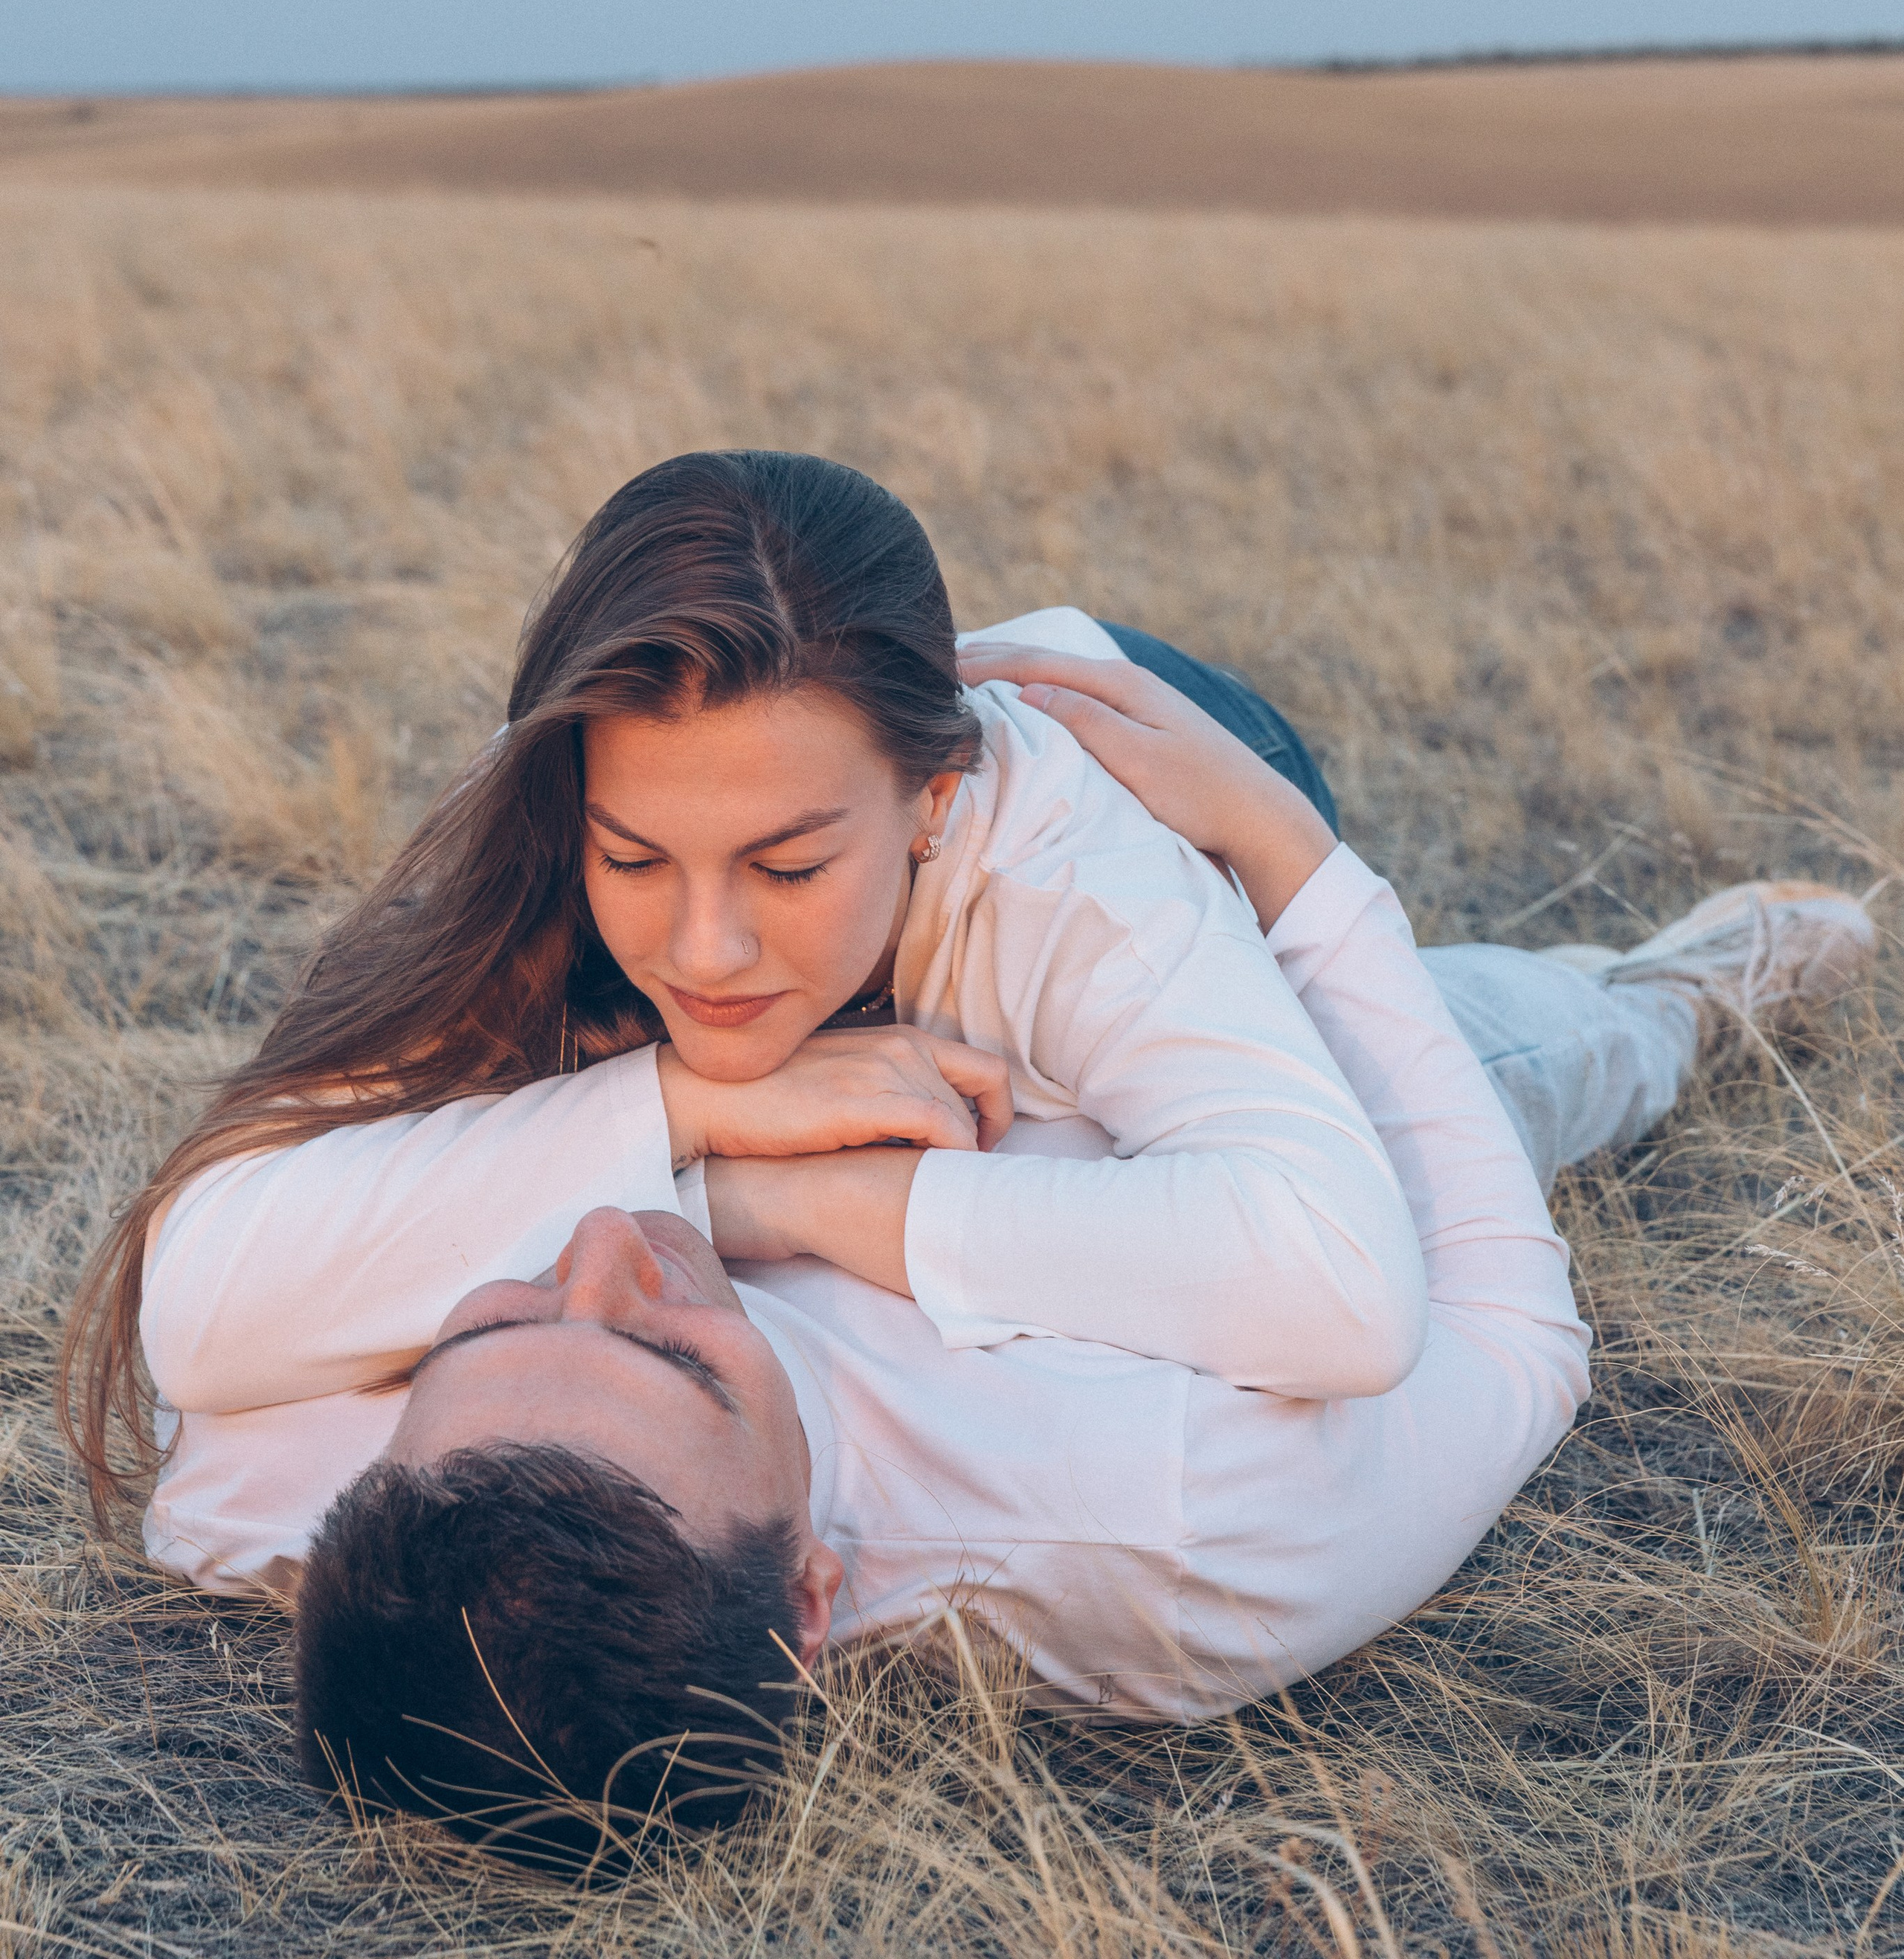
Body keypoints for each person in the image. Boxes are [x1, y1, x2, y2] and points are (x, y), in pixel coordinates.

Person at [63, 456, 1874, 1869]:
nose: (697, 954)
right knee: (1487, 1069)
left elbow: (204, 1333)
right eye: (674, 1350)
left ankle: (1619, 976)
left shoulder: (998, 848)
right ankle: (1691, 983)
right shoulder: (1172, 1537)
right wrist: (1295, 882)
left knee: (1432, 1030)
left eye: (773, 871)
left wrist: (720, 1146)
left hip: (1140, 764)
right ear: (814, 1599)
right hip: (1163, 946)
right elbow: (1403, 1298)